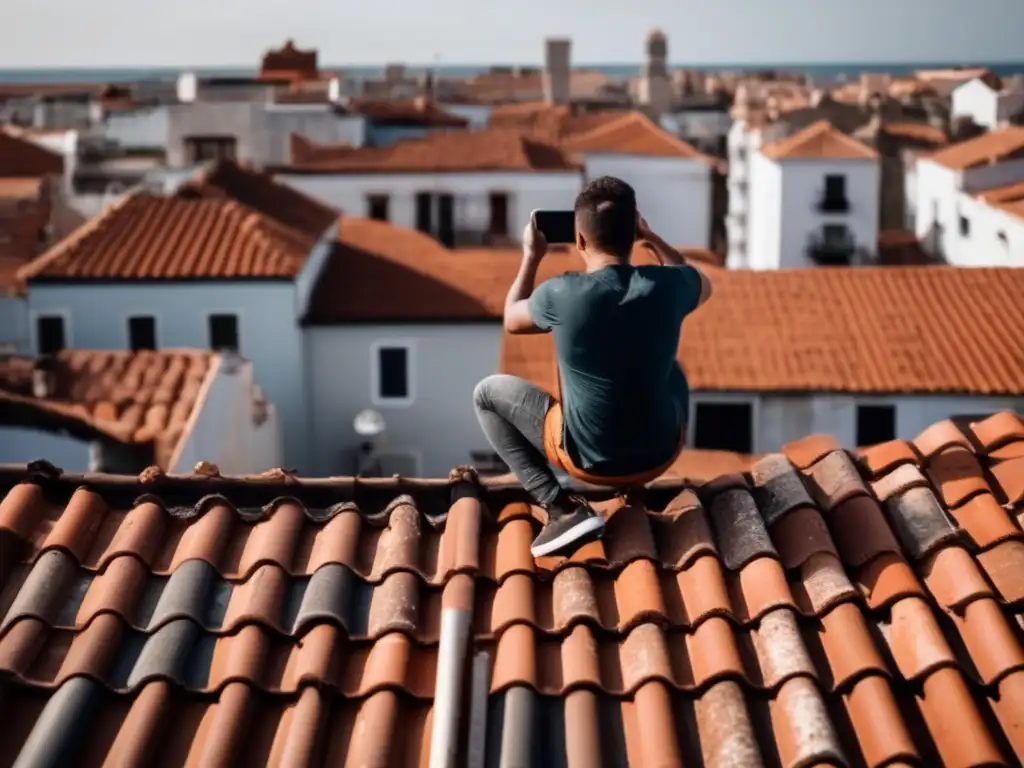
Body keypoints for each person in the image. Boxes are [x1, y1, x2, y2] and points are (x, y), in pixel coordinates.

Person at [473, 176, 714, 558]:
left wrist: (531, 255)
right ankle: (632, 491)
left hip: (588, 463)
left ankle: (559, 508)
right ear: (632, 231)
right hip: (660, 454)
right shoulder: (669, 286)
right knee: (672, 370)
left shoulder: (560, 292)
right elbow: (693, 278)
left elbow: (511, 318)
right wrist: (652, 240)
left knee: (486, 394)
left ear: (580, 240)